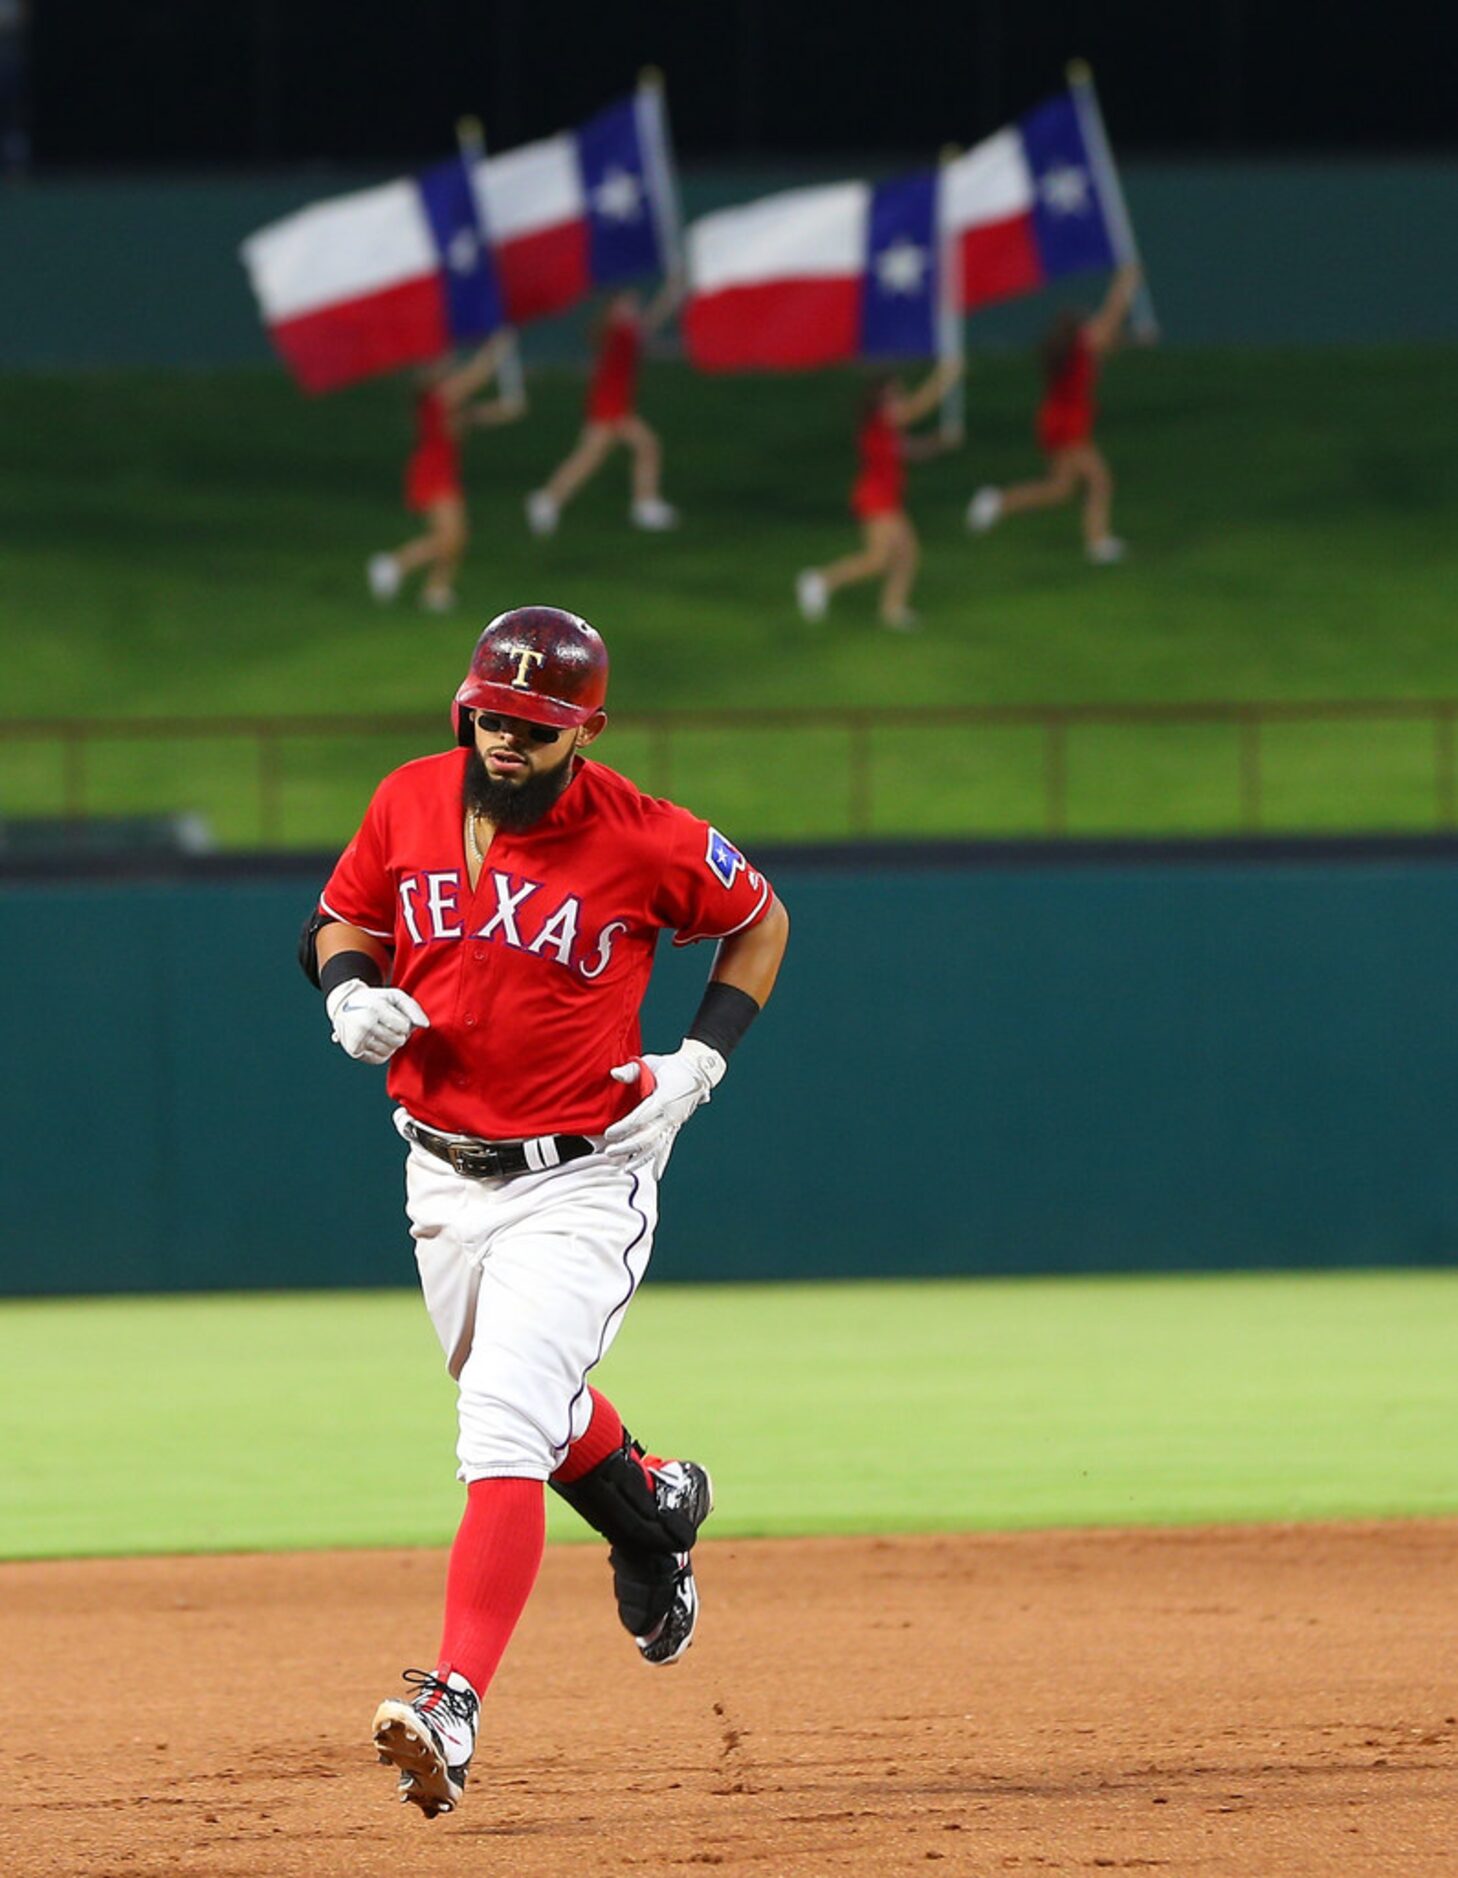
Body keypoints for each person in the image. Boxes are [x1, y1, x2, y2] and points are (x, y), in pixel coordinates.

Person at [300, 605, 790, 1820]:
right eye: (490, 714)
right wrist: (349, 989)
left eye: (533, 723)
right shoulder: (411, 797)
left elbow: (758, 921)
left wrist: (700, 1063)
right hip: (438, 1171)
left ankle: (453, 1706)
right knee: (531, 1404)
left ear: (586, 730)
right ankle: (655, 1505)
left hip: (583, 1175)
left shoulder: (643, 836)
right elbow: (340, 920)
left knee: (503, 1425)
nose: (504, 739)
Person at [965, 261, 1143, 565]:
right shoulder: (1081, 349)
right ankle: (1098, 543)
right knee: (1100, 480)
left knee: (1059, 490)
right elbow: (1111, 318)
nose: (1092, 329)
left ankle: (997, 501)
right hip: (1068, 425)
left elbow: (1107, 341)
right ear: (1078, 333)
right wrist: (1126, 283)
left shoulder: (1074, 351)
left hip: (1058, 421)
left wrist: (1134, 339)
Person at [795, 357, 964, 632]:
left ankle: (892, 610)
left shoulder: (888, 428)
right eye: (894, 393)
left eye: (900, 392)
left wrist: (940, 442)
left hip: (887, 500)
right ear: (881, 399)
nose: (900, 397)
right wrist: (945, 377)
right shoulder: (882, 419)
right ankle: (819, 582)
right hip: (876, 500)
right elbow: (916, 408)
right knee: (878, 560)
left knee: (907, 554)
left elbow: (912, 451)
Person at [368, 332, 526, 614]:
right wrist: (497, 347)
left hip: (443, 471)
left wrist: (508, 409)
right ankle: (393, 565)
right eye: (439, 361)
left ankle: (436, 589)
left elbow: (475, 416)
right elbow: (475, 377)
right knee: (450, 536)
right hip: (431, 472)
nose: (447, 362)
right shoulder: (437, 396)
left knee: (456, 536)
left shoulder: (446, 400)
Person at [525, 280, 681, 536]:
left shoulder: (626, 331)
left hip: (614, 403)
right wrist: (669, 296)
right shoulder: (615, 331)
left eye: (633, 303)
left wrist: (669, 297)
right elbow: (638, 327)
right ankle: (644, 505)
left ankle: (548, 499)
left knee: (590, 458)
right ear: (613, 307)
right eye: (626, 303)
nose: (632, 307)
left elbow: (648, 327)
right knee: (646, 446)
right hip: (610, 406)